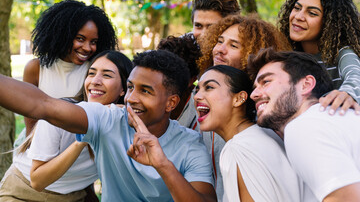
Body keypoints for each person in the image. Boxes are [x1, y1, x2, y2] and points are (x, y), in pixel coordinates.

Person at [0, 50, 216, 201]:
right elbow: (43, 105)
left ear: (171, 103)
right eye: (130, 87)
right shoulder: (109, 119)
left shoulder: (190, 144)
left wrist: (163, 164)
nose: (131, 98)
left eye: (146, 91)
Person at [0, 50, 132, 202]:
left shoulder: (125, 123)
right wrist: (82, 140)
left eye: (107, 75)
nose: (95, 81)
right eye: (91, 74)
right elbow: (37, 180)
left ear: (124, 88)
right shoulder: (60, 116)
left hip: (73, 196)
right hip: (23, 191)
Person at [196, 13, 292, 200]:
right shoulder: (209, 108)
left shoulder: (267, 121)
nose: (220, 50)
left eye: (233, 45)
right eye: (219, 41)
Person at [248, 48, 360, 201]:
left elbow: (345, 198)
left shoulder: (304, 126)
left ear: (306, 84)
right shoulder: (338, 119)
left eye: (266, 82)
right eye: (255, 88)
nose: (253, 95)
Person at [194, 65, 309, 201]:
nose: (196, 96)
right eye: (197, 89)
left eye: (209, 87)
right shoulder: (266, 135)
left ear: (239, 98)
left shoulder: (237, 149)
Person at [17, 0, 117, 146]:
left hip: (78, 158)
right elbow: (30, 123)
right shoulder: (35, 68)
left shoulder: (94, 72)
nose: (87, 48)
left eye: (93, 42)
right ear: (63, 35)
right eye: (80, 39)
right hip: (38, 155)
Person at [278, 0, 360, 115]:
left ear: (330, 22)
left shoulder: (342, 53)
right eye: (297, 8)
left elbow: (355, 76)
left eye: (312, 13)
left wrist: (348, 93)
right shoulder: (286, 55)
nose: (298, 17)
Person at [157, 34, 202, 131]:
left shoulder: (202, 117)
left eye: (171, 74)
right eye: (158, 71)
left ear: (191, 80)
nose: (162, 80)